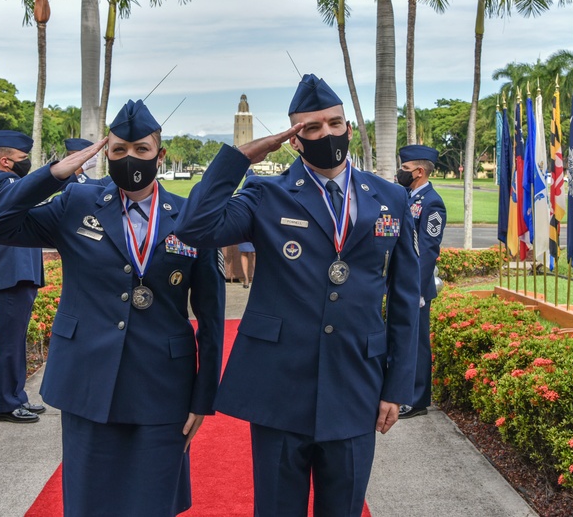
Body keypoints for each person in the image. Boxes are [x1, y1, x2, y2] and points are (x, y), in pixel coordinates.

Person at [175, 74, 420, 517]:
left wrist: (398, 386)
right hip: (279, 385)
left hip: (356, 384)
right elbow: (194, 227)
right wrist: (238, 159)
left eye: (334, 123)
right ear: (295, 140)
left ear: (347, 125)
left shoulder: (390, 198)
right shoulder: (265, 194)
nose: (326, 133)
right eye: (311, 128)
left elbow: (404, 299)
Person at [0, 100, 225, 517]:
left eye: (142, 150)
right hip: (87, 379)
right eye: (120, 150)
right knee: (91, 502)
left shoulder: (188, 216)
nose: (131, 159)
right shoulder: (75, 204)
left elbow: (212, 317)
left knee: (154, 500)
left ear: (159, 155)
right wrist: (53, 175)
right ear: (106, 154)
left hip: (163, 386)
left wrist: (203, 397)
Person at [0, 130, 46, 424]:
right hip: (10, 273)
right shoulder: (1, 182)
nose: (26, 162)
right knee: (8, 342)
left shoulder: (13, 182)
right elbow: (26, 193)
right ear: (5, 161)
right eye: (22, 158)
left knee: (16, 340)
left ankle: (17, 396)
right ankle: (6, 404)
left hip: (21, 271)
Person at [396, 145, 447, 419]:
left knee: (416, 342)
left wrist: (415, 288)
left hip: (416, 287)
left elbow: (428, 250)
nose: (400, 173)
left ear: (418, 171)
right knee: (401, 339)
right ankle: (399, 393)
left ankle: (417, 400)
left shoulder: (432, 202)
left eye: (404, 169)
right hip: (401, 282)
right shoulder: (406, 195)